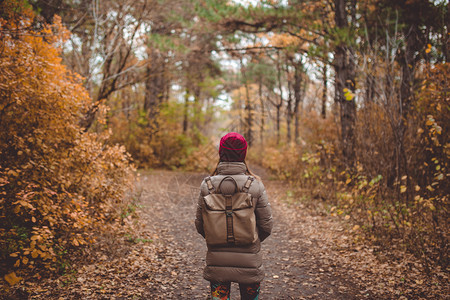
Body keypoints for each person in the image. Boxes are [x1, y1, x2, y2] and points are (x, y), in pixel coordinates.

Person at [195, 132, 273, 300]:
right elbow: (267, 226)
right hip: (250, 262)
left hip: (217, 262)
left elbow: (200, 226)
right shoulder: (255, 185)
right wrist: (250, 238)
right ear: (243, 154)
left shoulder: (207, 185)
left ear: (221, 153)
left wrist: (217, 237)